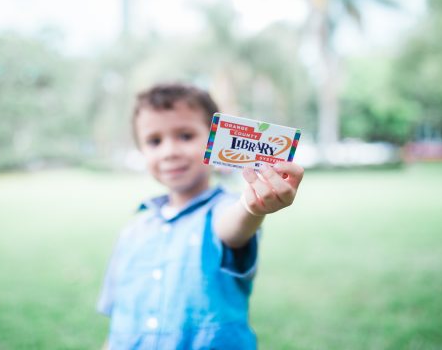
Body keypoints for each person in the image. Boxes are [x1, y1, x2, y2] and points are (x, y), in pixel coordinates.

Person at [97, 82, 304, 349]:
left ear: (215, 140)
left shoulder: (224, 208)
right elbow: (119, 318)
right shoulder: (134, 228)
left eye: (185, 136)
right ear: (141, 150)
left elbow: (232, 227)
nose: (170, 151)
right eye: (154, 141)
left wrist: (251, 207)